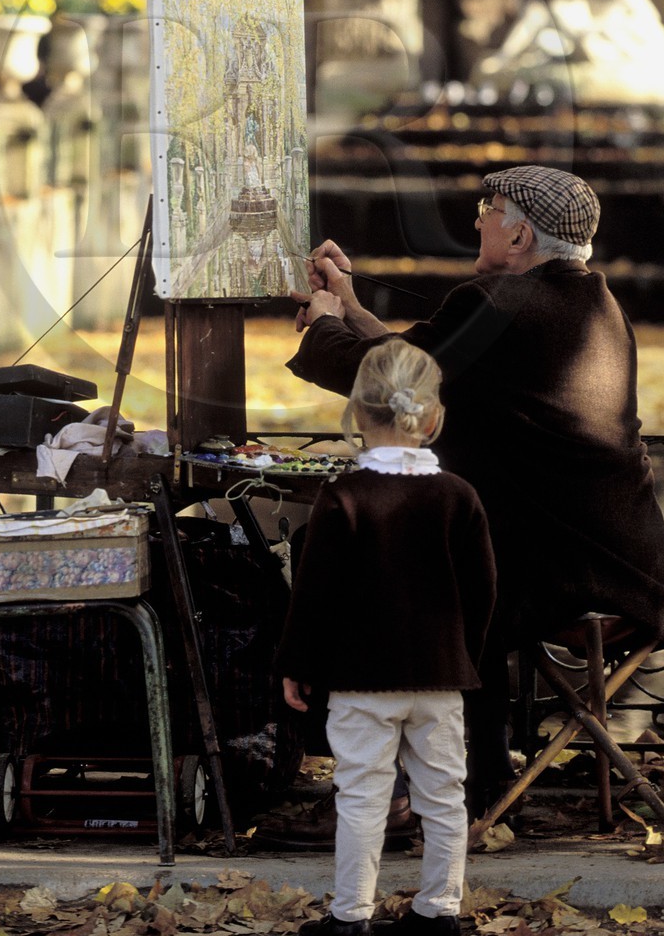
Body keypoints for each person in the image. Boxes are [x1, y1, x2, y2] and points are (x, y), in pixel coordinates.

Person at [289, 164, 664, 816]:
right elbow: (421, 362)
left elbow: (393, 386)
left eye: (490, 207)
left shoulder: (499, 306)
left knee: (357, 552)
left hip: (557, 569)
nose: (478, 217)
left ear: (520, 237)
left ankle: (401, 782)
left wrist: (328, 321)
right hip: (629, 568)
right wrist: (352, 306)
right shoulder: (593, 302)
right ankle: (459, 782)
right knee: (426, 557)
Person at [278, 340, 496, 936]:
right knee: (444, 796)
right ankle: (438, 911)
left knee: (362, 797)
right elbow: (483, 593)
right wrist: (461, 656)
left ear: (356, 413)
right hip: (440, 677)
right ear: (433, 417)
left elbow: (313, 593)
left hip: (361, 682)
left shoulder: (343, 497)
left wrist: (298, 662)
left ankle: (350, 917)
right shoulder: (459, 497)